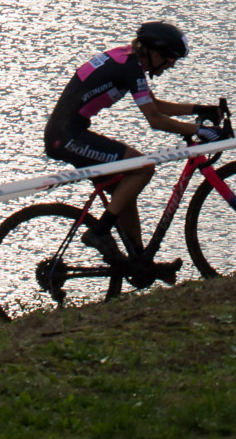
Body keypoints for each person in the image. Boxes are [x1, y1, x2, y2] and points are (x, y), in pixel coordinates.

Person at [43, 21, 210, 282]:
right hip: (66, 138)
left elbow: (153, 103)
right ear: (153, 53)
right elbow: (154, 119)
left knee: (125, 189)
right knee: (143, 167)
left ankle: (138, 261)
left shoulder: (127, 59)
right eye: (169, 59)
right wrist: (200, 131)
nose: (171, 65)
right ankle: (99, 232)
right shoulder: (130, 67)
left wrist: (199, 110)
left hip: (68, 132)